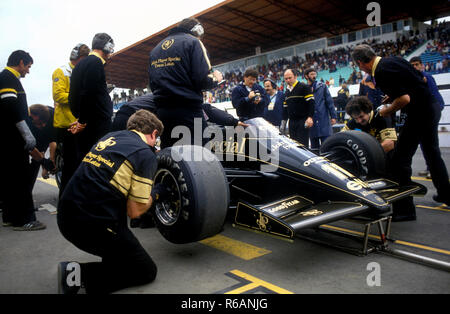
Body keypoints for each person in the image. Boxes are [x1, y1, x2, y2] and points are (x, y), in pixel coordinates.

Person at [57, 110, 165, 294]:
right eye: (157, 139)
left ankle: (95, 270)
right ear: (154, 134)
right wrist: (156, 193)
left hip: (66, 216)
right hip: (92, 225)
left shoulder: (110, 137)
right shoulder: (144, 153)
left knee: (121, 252)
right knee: (145, 270)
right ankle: (75, 274)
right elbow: (135, 211)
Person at [352, 44, 450, 221]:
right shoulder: (393, 60)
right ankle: (445, 193)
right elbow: (420, 80)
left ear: (360, 63)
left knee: (399, 160)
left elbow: (405, 98)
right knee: (432, 153)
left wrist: (386, 111)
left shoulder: (380, 72)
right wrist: (392, 95)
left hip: (418, 113)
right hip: (431, 107)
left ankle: (405, 210)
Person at [148, 17, 223, 148]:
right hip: (188, 111)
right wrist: (216, 78)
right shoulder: (193, 42)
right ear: (197, 30)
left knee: (171, 155)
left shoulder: (156, 49)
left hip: (163, 112)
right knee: (201, 156)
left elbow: (152, 84)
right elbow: (202, 80)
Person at [0, 50, 46, 231]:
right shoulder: (8, 78)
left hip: (8, 139)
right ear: (20, 62)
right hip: (13, 139)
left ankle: (11, 217)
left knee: (11, 180)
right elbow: (10, 108)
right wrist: (26, 133)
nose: (28, 71)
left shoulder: (6, 78)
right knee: (20, 180)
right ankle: (24, 220)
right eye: (28, 66)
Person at [69, 33, 115, 169]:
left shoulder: (80, 64)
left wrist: (80, 118)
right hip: (96, 125)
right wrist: (83, 121)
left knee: (84, 161)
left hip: (87, 122)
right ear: (107, 47)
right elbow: (88, 93)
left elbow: (74, 96)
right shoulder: (95, 63)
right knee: (96, 163)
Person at [53, 43, 90, 194]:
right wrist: (80, 97)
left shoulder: (84, 72)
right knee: (70, 165)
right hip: (66, 126)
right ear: (79, 58)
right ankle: (66, 197)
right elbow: (58, 95)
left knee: (81, 163)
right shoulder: (61, 72)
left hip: (81, 124)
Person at [410, 56, 446, 179]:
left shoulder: (427, 77)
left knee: (431, 144)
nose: (414, 67)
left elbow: (435, 96)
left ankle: (434, 170)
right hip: (424, 114)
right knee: (425, 143)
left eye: (416, 64)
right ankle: (429, 167)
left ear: (421, 65)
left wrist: (434, 112)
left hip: (431, 112)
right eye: (412, 65)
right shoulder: (415, 79)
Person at [304, 68, 337, 153]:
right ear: (306, 76)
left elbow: (329, 102)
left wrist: (333, 116)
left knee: (327, 147)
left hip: (323, 121)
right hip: (312, 122)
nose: (314, 76)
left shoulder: (322, 86)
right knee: (314, 149)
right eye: (311, 74)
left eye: (315, 74)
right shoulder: (304, 88)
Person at [27, 104, 57, 190]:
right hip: (33, 135)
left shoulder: (51, 114)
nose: (43, 125)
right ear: (32, 116)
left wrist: (50, 162)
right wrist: (44, 163)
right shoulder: (27, 120)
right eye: (41, 122)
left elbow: (52, 140)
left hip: (48, 131)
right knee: (36, 160)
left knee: (44, 159)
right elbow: (32, 149)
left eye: (45, 122)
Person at [282, 69, 315, 146]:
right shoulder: (286, 91)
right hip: (292, 122)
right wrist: (283, 122)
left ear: (296, 76)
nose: (288, 80)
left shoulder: (304, 87)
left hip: (302, 121)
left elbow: (311, 103)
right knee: (294, 145)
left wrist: (310, 117)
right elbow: (285, 108)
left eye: (290, 78)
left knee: (303, 145)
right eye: (286, 79)